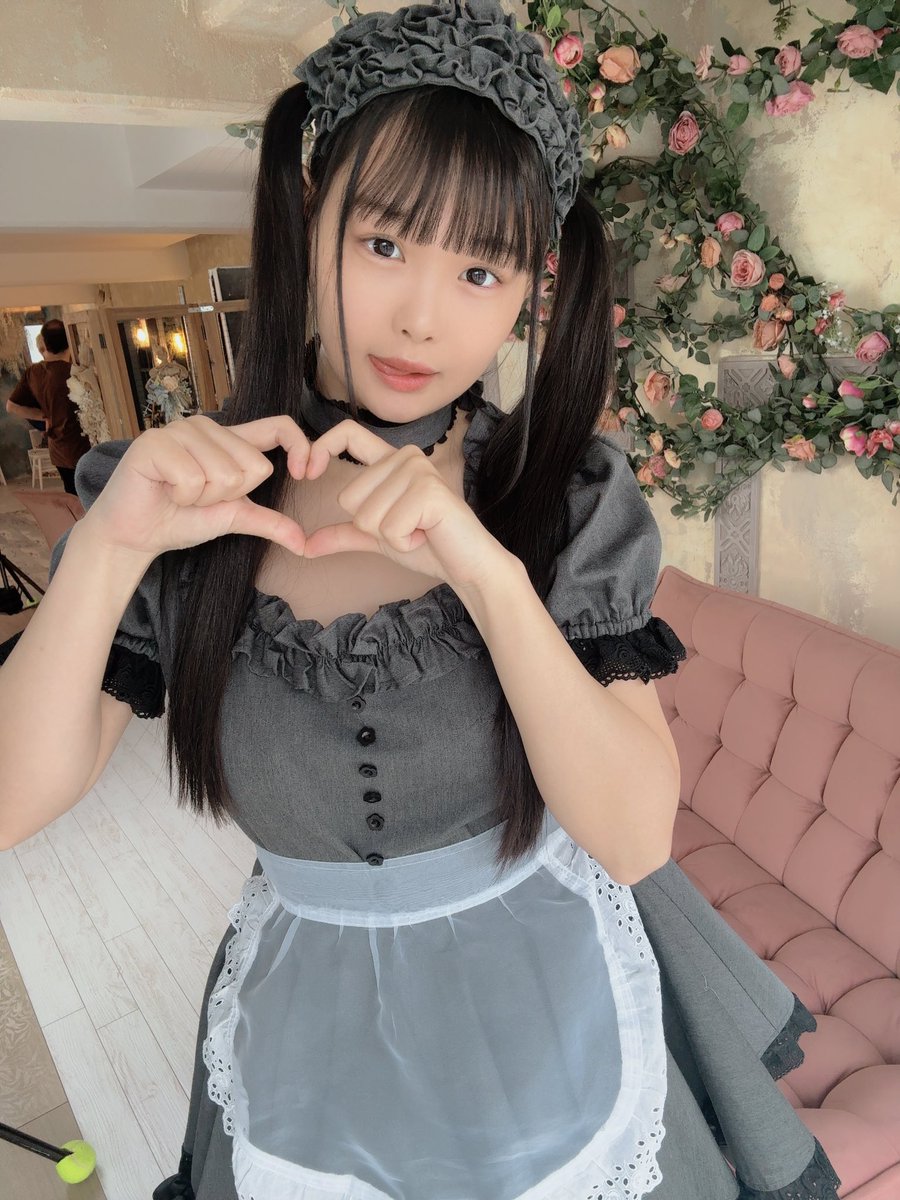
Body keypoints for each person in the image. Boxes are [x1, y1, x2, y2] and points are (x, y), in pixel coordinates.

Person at [0, 3, 841, 1198]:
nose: (422, 318)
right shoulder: (182, 503)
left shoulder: (562, 497)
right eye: (385, 243)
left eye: (481, 270)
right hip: (314, 1039)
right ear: (311, 215)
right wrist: (107, 550)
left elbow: (633, 836)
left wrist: (486, 571)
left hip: (559, 1016)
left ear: (530, 288)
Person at [5, 318, 91, 493]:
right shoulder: (76, 370)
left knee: (73, 496)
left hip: (59, 450)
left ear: (44, 343)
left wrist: (44, 416)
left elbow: (11, 406)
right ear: (69, 340)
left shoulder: (33, 372)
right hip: (84, 446)